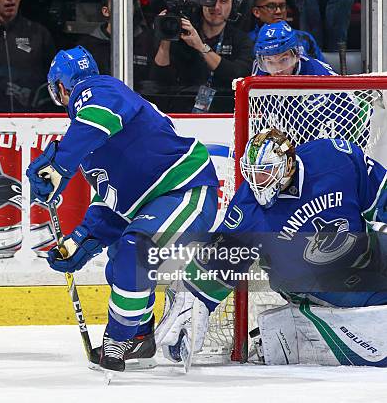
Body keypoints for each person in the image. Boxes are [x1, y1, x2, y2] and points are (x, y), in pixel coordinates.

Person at [26, 46, 220, 374]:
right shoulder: (89, 145)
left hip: (185, 190)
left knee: (136, 248)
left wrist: (58, 163)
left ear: (61, 88)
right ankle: (140, 338)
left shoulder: (99, 89)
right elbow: (112, 205)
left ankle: (120, 337)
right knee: (119, 264)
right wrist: (81, 241)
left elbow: (99, 114)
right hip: (152, 203)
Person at [159, 128, 387, 367]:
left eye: (265, 173)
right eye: (252, 174)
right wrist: (193, 298)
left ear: (288, 166)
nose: (258, 184)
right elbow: (221, 261)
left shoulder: (336, 158)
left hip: (364, 252)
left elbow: (381, 195)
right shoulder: (248, 211)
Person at [151, 0, 254, 113]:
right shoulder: (183, 33)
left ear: (233, 5)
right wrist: (166, 36)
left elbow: (238, 75)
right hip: (181, 111)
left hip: (225, 112)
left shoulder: (241, 39)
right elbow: (160, 79)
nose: (216, 6)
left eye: (223, 1)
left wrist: (200, 46)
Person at [78, 0, 156, 94]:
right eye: (117, 3)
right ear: (105, 11)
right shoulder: (87, 47)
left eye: (128, 3)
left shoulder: (148, 40)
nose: (123, 8)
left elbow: (158, 83)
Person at [249, 0, 324, 61]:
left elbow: (322, 68)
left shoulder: (304, 38)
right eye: (271, 6)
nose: (278, 11)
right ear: (256, 12)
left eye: (282, 6)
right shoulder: (248, 42)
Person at [252, 21, 334, 76]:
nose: (278, 70)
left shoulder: (316, 74)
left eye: (283, 60)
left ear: (297, 55)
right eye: (270, 62)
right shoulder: (260, 71)